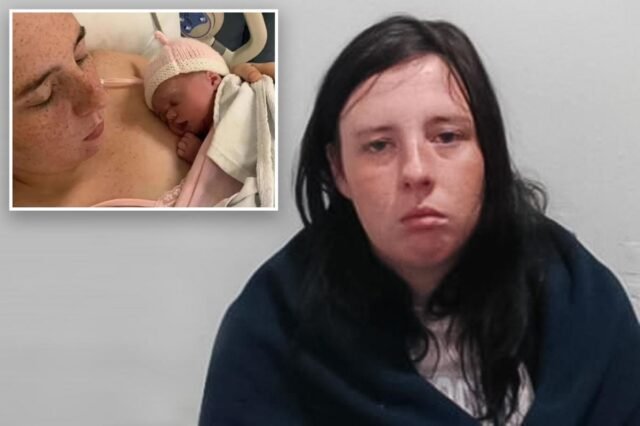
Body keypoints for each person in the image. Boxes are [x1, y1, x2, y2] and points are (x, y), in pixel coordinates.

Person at [199, 15, 640, 425]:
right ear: (339, 170)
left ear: (487, 153)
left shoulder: (580, 302)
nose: (416, 171)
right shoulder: (272, 329)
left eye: (447, 137)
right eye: (378, 145)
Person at [12, 13, 261, 207]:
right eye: (45, 96)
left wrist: (246, 88)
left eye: (80, 56)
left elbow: (203, 82)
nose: (100, 97)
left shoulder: (120, 70)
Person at [144, 31, 276, 163]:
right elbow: (235, 166)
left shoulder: (236, 95)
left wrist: (201, 155)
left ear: (213, 80)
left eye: (174, 102)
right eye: (162, 116)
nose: (169, 116)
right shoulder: (205, 137)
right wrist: (200, 155)